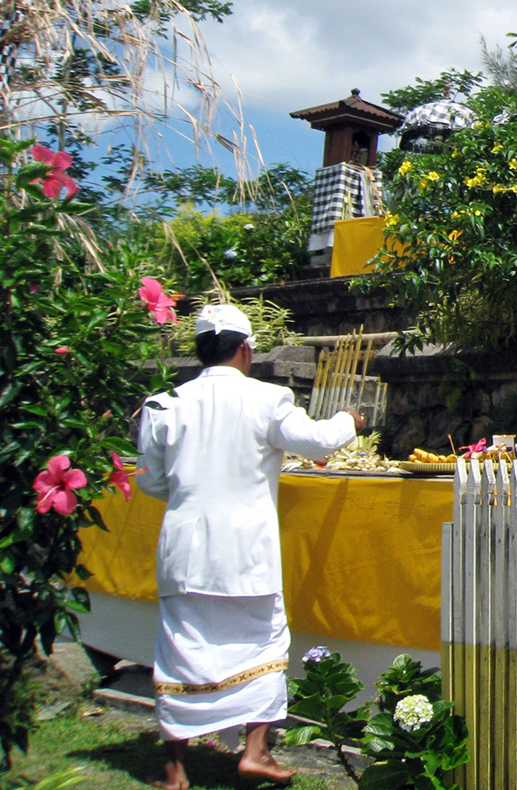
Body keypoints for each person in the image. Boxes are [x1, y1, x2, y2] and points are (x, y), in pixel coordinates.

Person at [136, 304, 365, 790]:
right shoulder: (269, 399)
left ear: (199, 351)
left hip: (185, 549)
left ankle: (176, 769)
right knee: (263, 645)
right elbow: (319, 442)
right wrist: (348, 418)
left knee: (180, 648)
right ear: (245, 349)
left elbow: (152, 483)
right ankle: (255, 751)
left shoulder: (163, 405)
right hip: (248, 554)